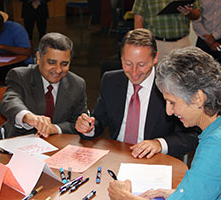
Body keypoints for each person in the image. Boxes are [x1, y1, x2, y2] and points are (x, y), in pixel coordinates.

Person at [108, 47, 221, 200]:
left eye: (172, 102)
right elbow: (215, 183)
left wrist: (124, 196)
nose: (169, 111)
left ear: (198, 98)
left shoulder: (217, 145)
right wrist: (181, 194)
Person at [76, 29, 199, 159]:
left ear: (155, 58)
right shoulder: (110, 81)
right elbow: (99, 119)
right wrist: (89, 127)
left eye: (141, 65)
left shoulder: (171, 87)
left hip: (155, 160)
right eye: (128, 64)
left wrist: (159, 144)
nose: (134, 72)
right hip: (117, 154)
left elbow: (191, 135)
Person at [0, 32, 87, 140]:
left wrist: (55, 128)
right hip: (17, 144)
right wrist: (28, 117)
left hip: (58, 148)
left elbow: (78, 123)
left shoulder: (77, 84)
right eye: (51, 62)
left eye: (64, 64)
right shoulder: (20, 76)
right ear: (38, 57)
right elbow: (10, 101)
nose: (58, 70)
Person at [132, 0, 201, 61]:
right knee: (159, 74)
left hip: (183, 42)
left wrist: (189, 13)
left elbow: (197, 13)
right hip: (158, 44)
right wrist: (140, 44)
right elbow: (138, 19)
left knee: (186, 73)